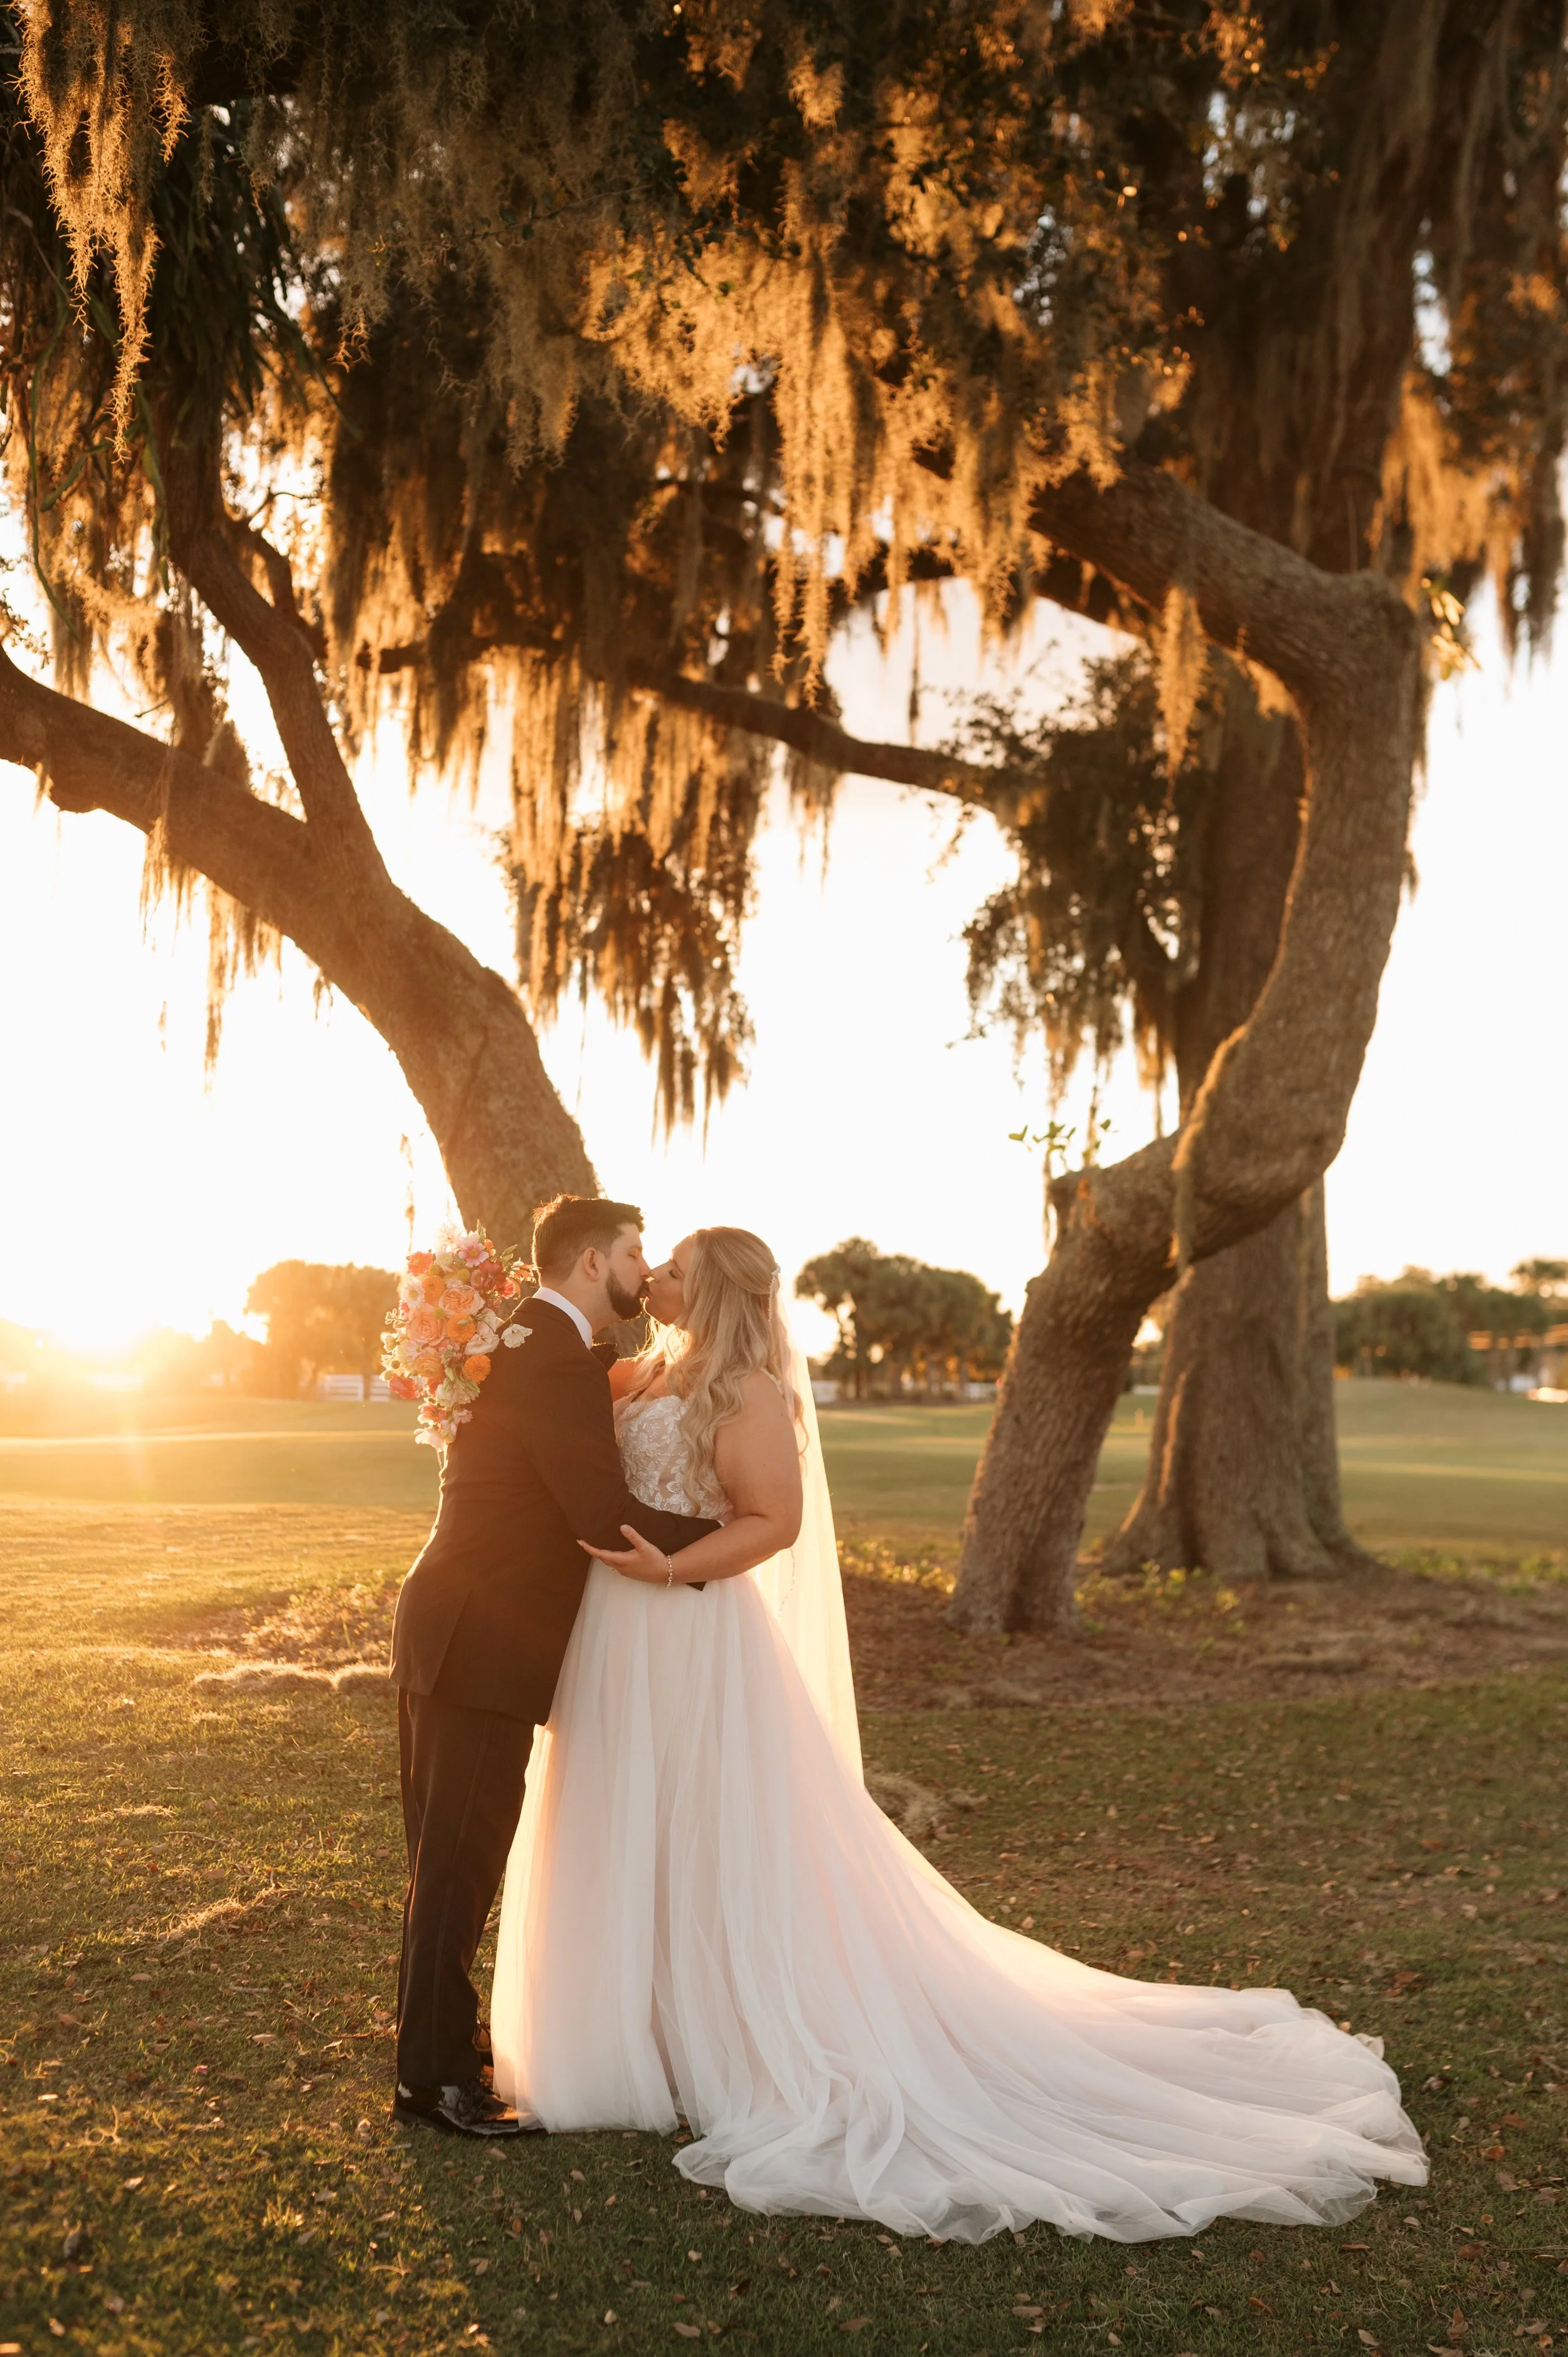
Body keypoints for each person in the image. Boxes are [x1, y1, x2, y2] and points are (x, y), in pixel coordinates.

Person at [489, 1225, 1428, 2239]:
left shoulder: (747, 1391)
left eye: (675, 1268)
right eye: (655, 1261)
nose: (656, 1277)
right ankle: (633, 2034)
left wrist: (672, 1567)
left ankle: (729, 2033)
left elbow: (775, 1523)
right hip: (613, 1635)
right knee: (618, 1816)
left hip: (693, 1631)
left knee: (712, 1831)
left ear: (713, 1290)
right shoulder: (637, 1373)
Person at [387, 1195, 718, 2138]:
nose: (643, 1270)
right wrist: (728, 1545)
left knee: (444, 1861)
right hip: (479, 1640)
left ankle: (436, 2048)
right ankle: (435, 2084)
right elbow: (601, 1516)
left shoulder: (530, 1342)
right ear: (590, 1263)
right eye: (633, 1253)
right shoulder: (553, 1360)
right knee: (457, 1865)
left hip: (453, 1625)